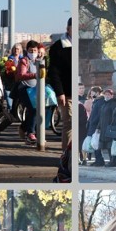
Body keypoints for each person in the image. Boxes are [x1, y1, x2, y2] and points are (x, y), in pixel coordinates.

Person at [48, 17, 73, 151]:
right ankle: (66, 154)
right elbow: (54, 72)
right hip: (67, 92)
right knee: (69, 123)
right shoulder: (59, 47)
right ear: (68, 29)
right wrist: (60, 92)